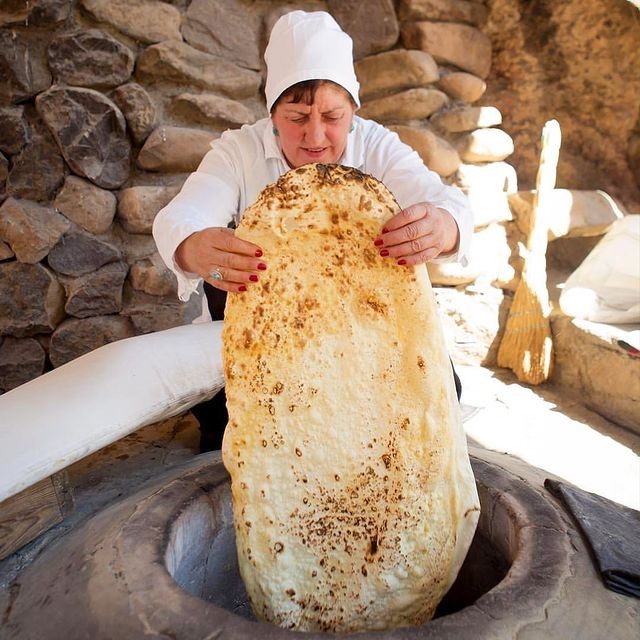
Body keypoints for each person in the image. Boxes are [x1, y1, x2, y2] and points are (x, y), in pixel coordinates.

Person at [153, 10, 472, 451]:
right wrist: (192, 247)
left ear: (354, 112)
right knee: (239, 449)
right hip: (259, 349)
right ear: (272, 114)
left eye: (332, 116)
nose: (315, 135)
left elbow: (449, 204)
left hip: (362, 341)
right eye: (297, 116)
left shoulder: (376, 147)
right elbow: (180, 217)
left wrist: (443, 226)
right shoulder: (238, 152)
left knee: (435, 404)